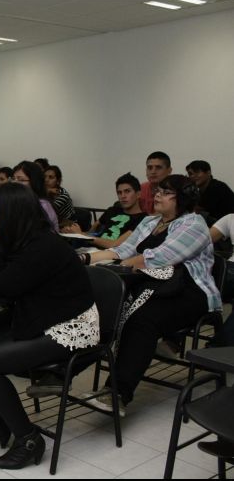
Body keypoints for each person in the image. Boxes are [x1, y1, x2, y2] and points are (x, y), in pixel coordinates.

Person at [0, 183, 98, 470]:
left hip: (70, 327)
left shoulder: (43, 245)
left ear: (9, 214)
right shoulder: (17, 239)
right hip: (40, 312)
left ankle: (28, 438)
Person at [83, 175, 221, 415]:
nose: (157, 194)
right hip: (150, 286)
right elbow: (120, 250)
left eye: (166, 192)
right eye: (158, 190)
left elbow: (161, 257)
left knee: (141, 319)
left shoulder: (194, 224)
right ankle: (60, 374)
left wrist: (124, 265)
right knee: (101, 311)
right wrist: (85, 259)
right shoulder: (149, 222)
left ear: (184, 198)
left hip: (189, 291)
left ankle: (117, 394)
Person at [62, 172, 146, 249]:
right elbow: (91, 231)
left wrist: (82, 235)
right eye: (119, 192)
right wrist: (73, 232)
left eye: (127, 191)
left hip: (110, 254)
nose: (123, 196)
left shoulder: (143, 219)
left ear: (138, 194)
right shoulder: (112, 210)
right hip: (89, 248)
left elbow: (115, 244)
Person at [209, 213, 234, 346]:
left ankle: (172, 341)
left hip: (225, 273)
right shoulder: (230, 218)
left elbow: (202, 241)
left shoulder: (230, 218)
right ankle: (218, 348)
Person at [12, 161, 59, 232]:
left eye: (21, 180)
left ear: (34, 182)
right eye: (13, 179)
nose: (14, 183)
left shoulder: (42, 205)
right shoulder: (19, 200)